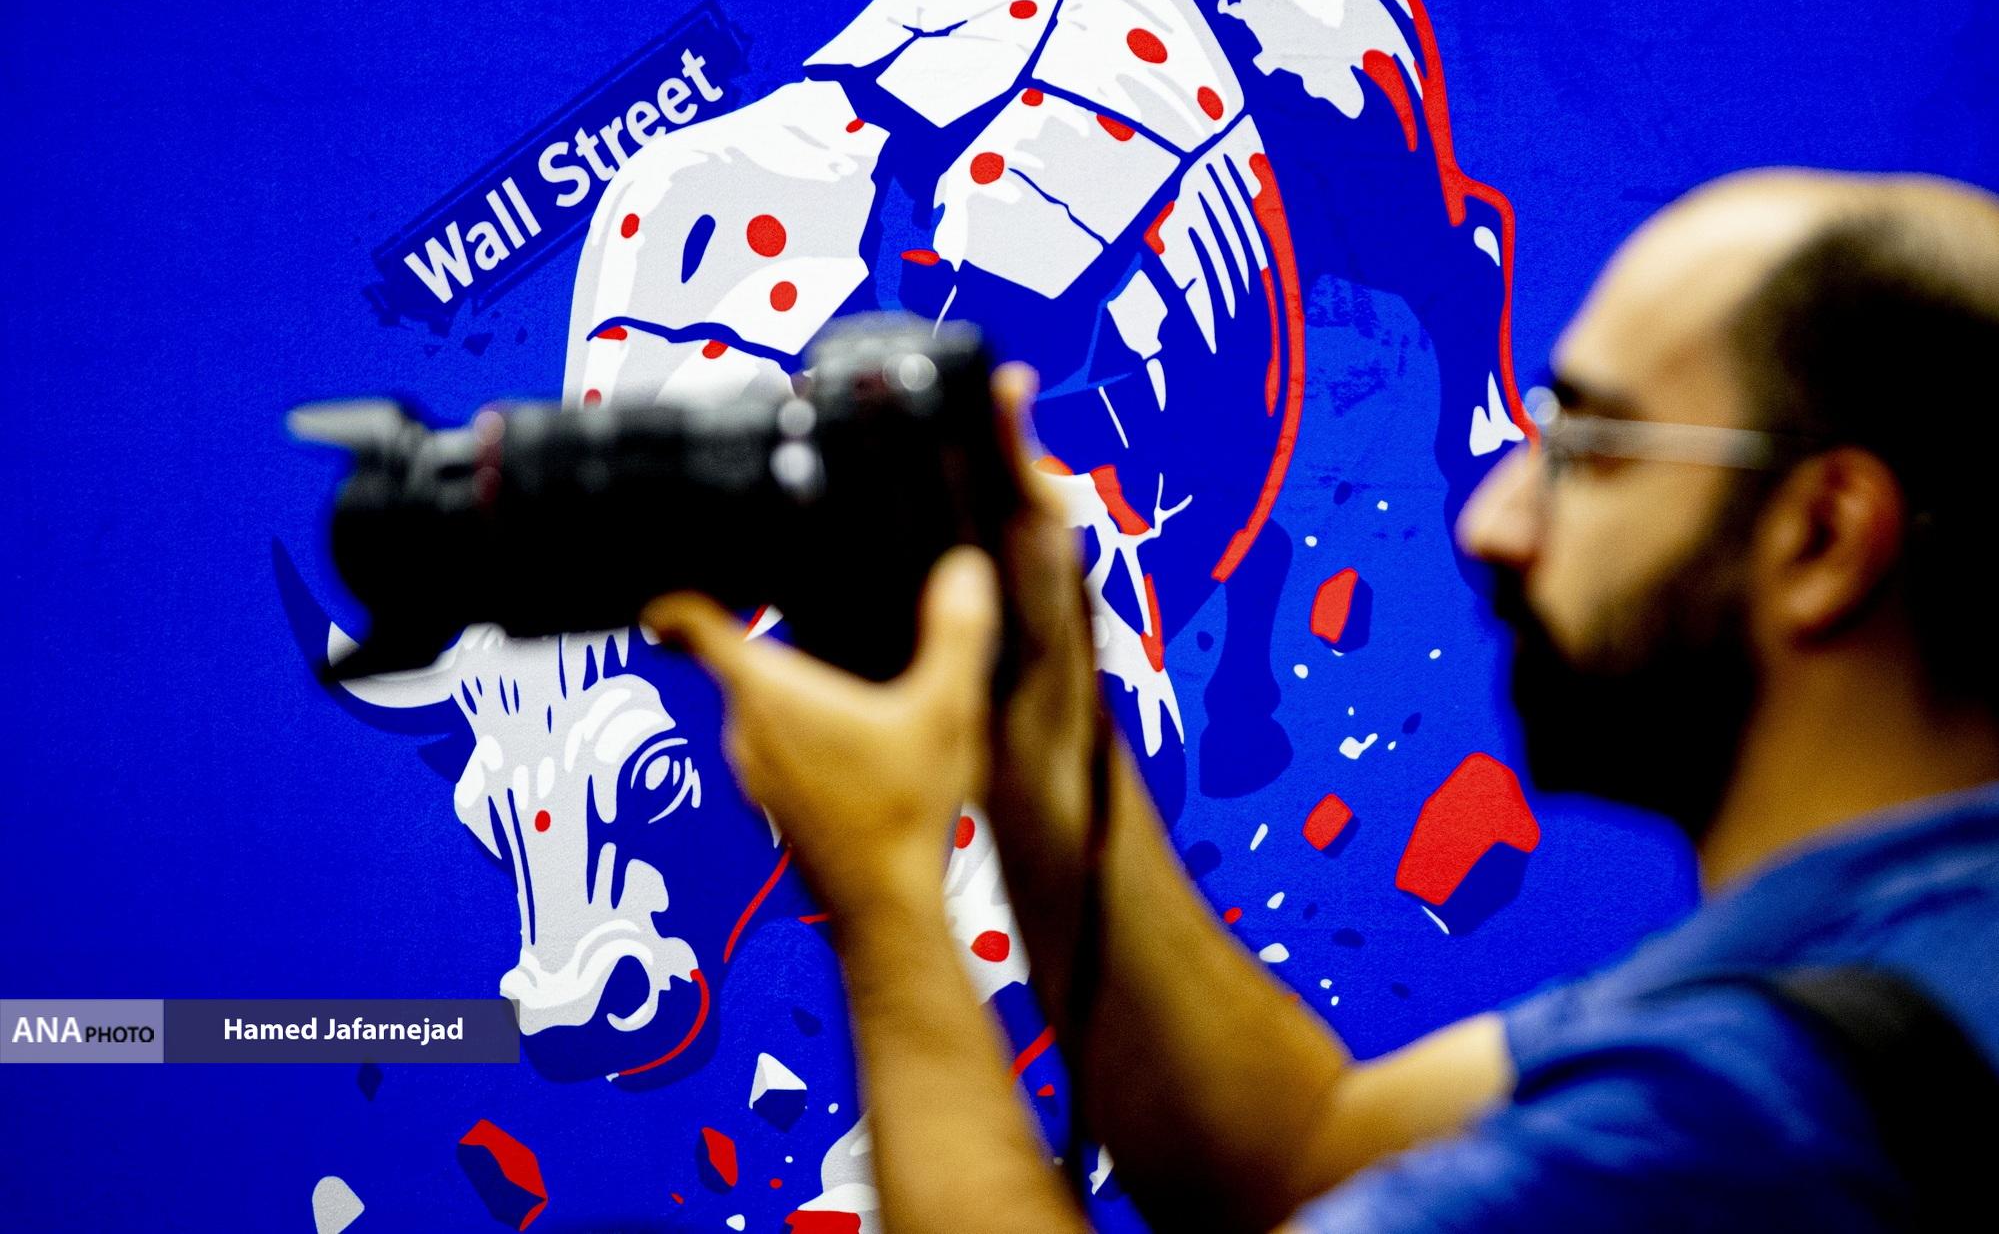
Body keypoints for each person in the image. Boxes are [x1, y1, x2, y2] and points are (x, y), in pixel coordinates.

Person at [642, 169, 1999, 1232]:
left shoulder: (1735, 1116)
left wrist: (885, 892)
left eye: (1588, 447)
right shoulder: (1889, 945)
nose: (1495, 520)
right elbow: (1305, 1153)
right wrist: (1042, 710)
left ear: (1824, 536)